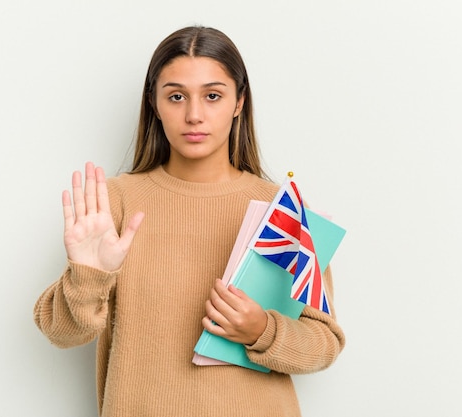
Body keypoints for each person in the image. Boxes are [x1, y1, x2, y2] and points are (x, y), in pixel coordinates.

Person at [34, 25, 345, 417]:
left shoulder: (280, 209)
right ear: (154, 104)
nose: (194, 115)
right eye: (176, 96)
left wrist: (262, 330)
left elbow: (325, 343)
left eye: (213, 96)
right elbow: (60, 332)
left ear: (238, 103)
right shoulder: (116, 202)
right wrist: (87, 275)